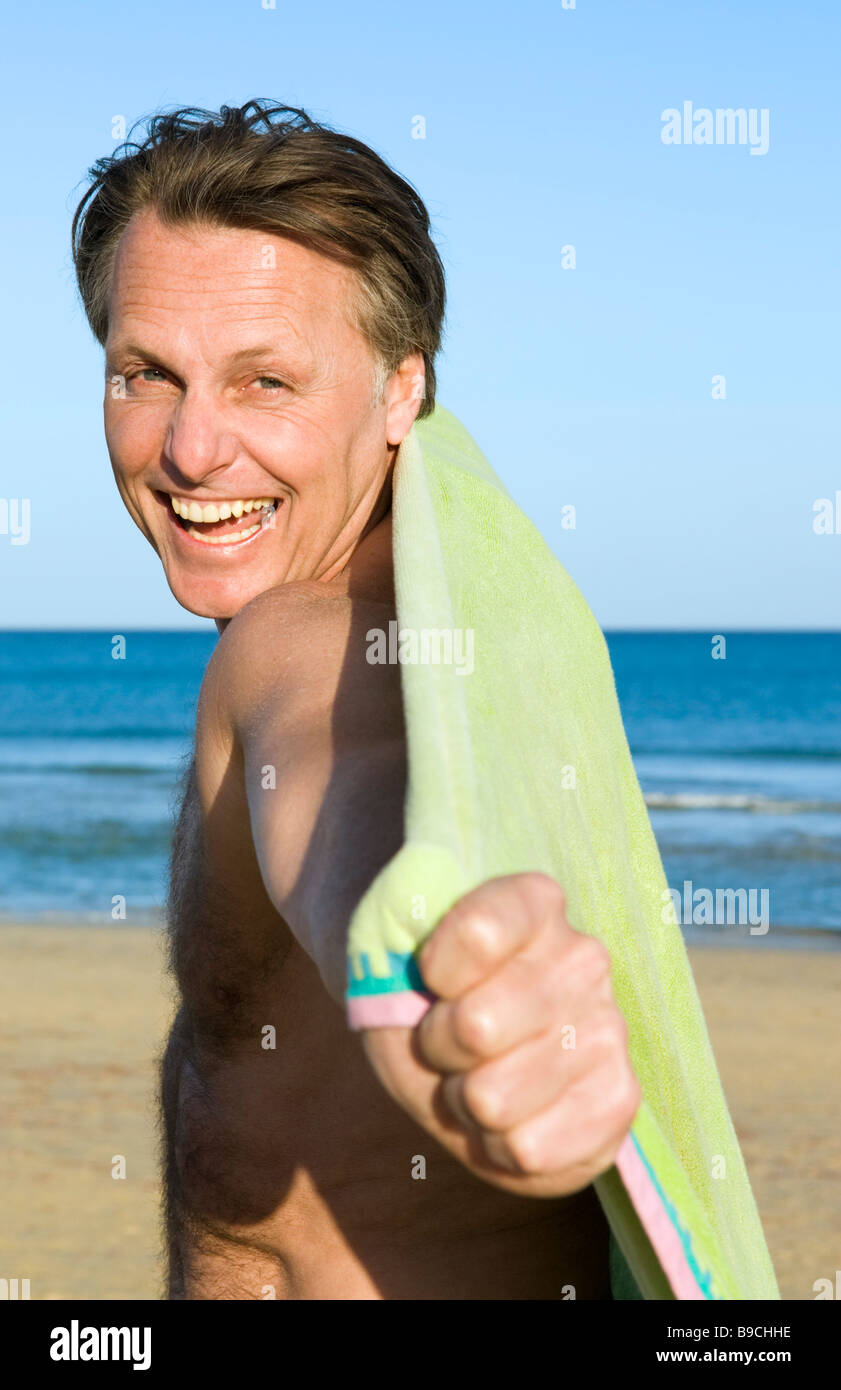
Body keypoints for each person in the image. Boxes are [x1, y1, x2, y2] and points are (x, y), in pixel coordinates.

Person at [72, 100, 640, 1299]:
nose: (189, 448)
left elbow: (349, 775)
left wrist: (435, 969)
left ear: (400, 395)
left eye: (265, 381)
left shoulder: (300, 640)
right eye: (146, 374)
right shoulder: (459, 635)